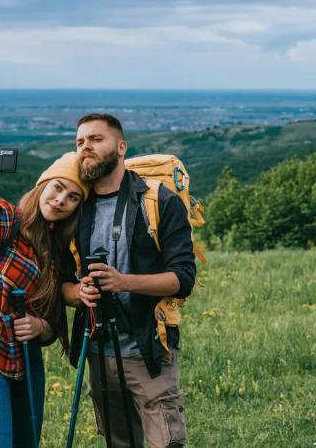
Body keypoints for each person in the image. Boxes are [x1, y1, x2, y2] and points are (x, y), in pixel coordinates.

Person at [62, 113, 196, 448]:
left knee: (167, 442)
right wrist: (78, 293)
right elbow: (61, 281)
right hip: (97, 348)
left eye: (96, 139)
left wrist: (123, 282)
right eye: (80, 142)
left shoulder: (158, 200)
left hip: (147, 346)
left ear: (121, 147)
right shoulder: (75, 206)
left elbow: (183, 278)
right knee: (119, 441)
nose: (86, 147)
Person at [0, 144, 88, 447]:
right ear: (42, 185)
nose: (61, 200)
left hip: (24, 361)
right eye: (57, 188)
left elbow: (51, 321)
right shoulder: (11, 221)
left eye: (73, 197)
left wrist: (40, 327)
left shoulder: (56, 253)